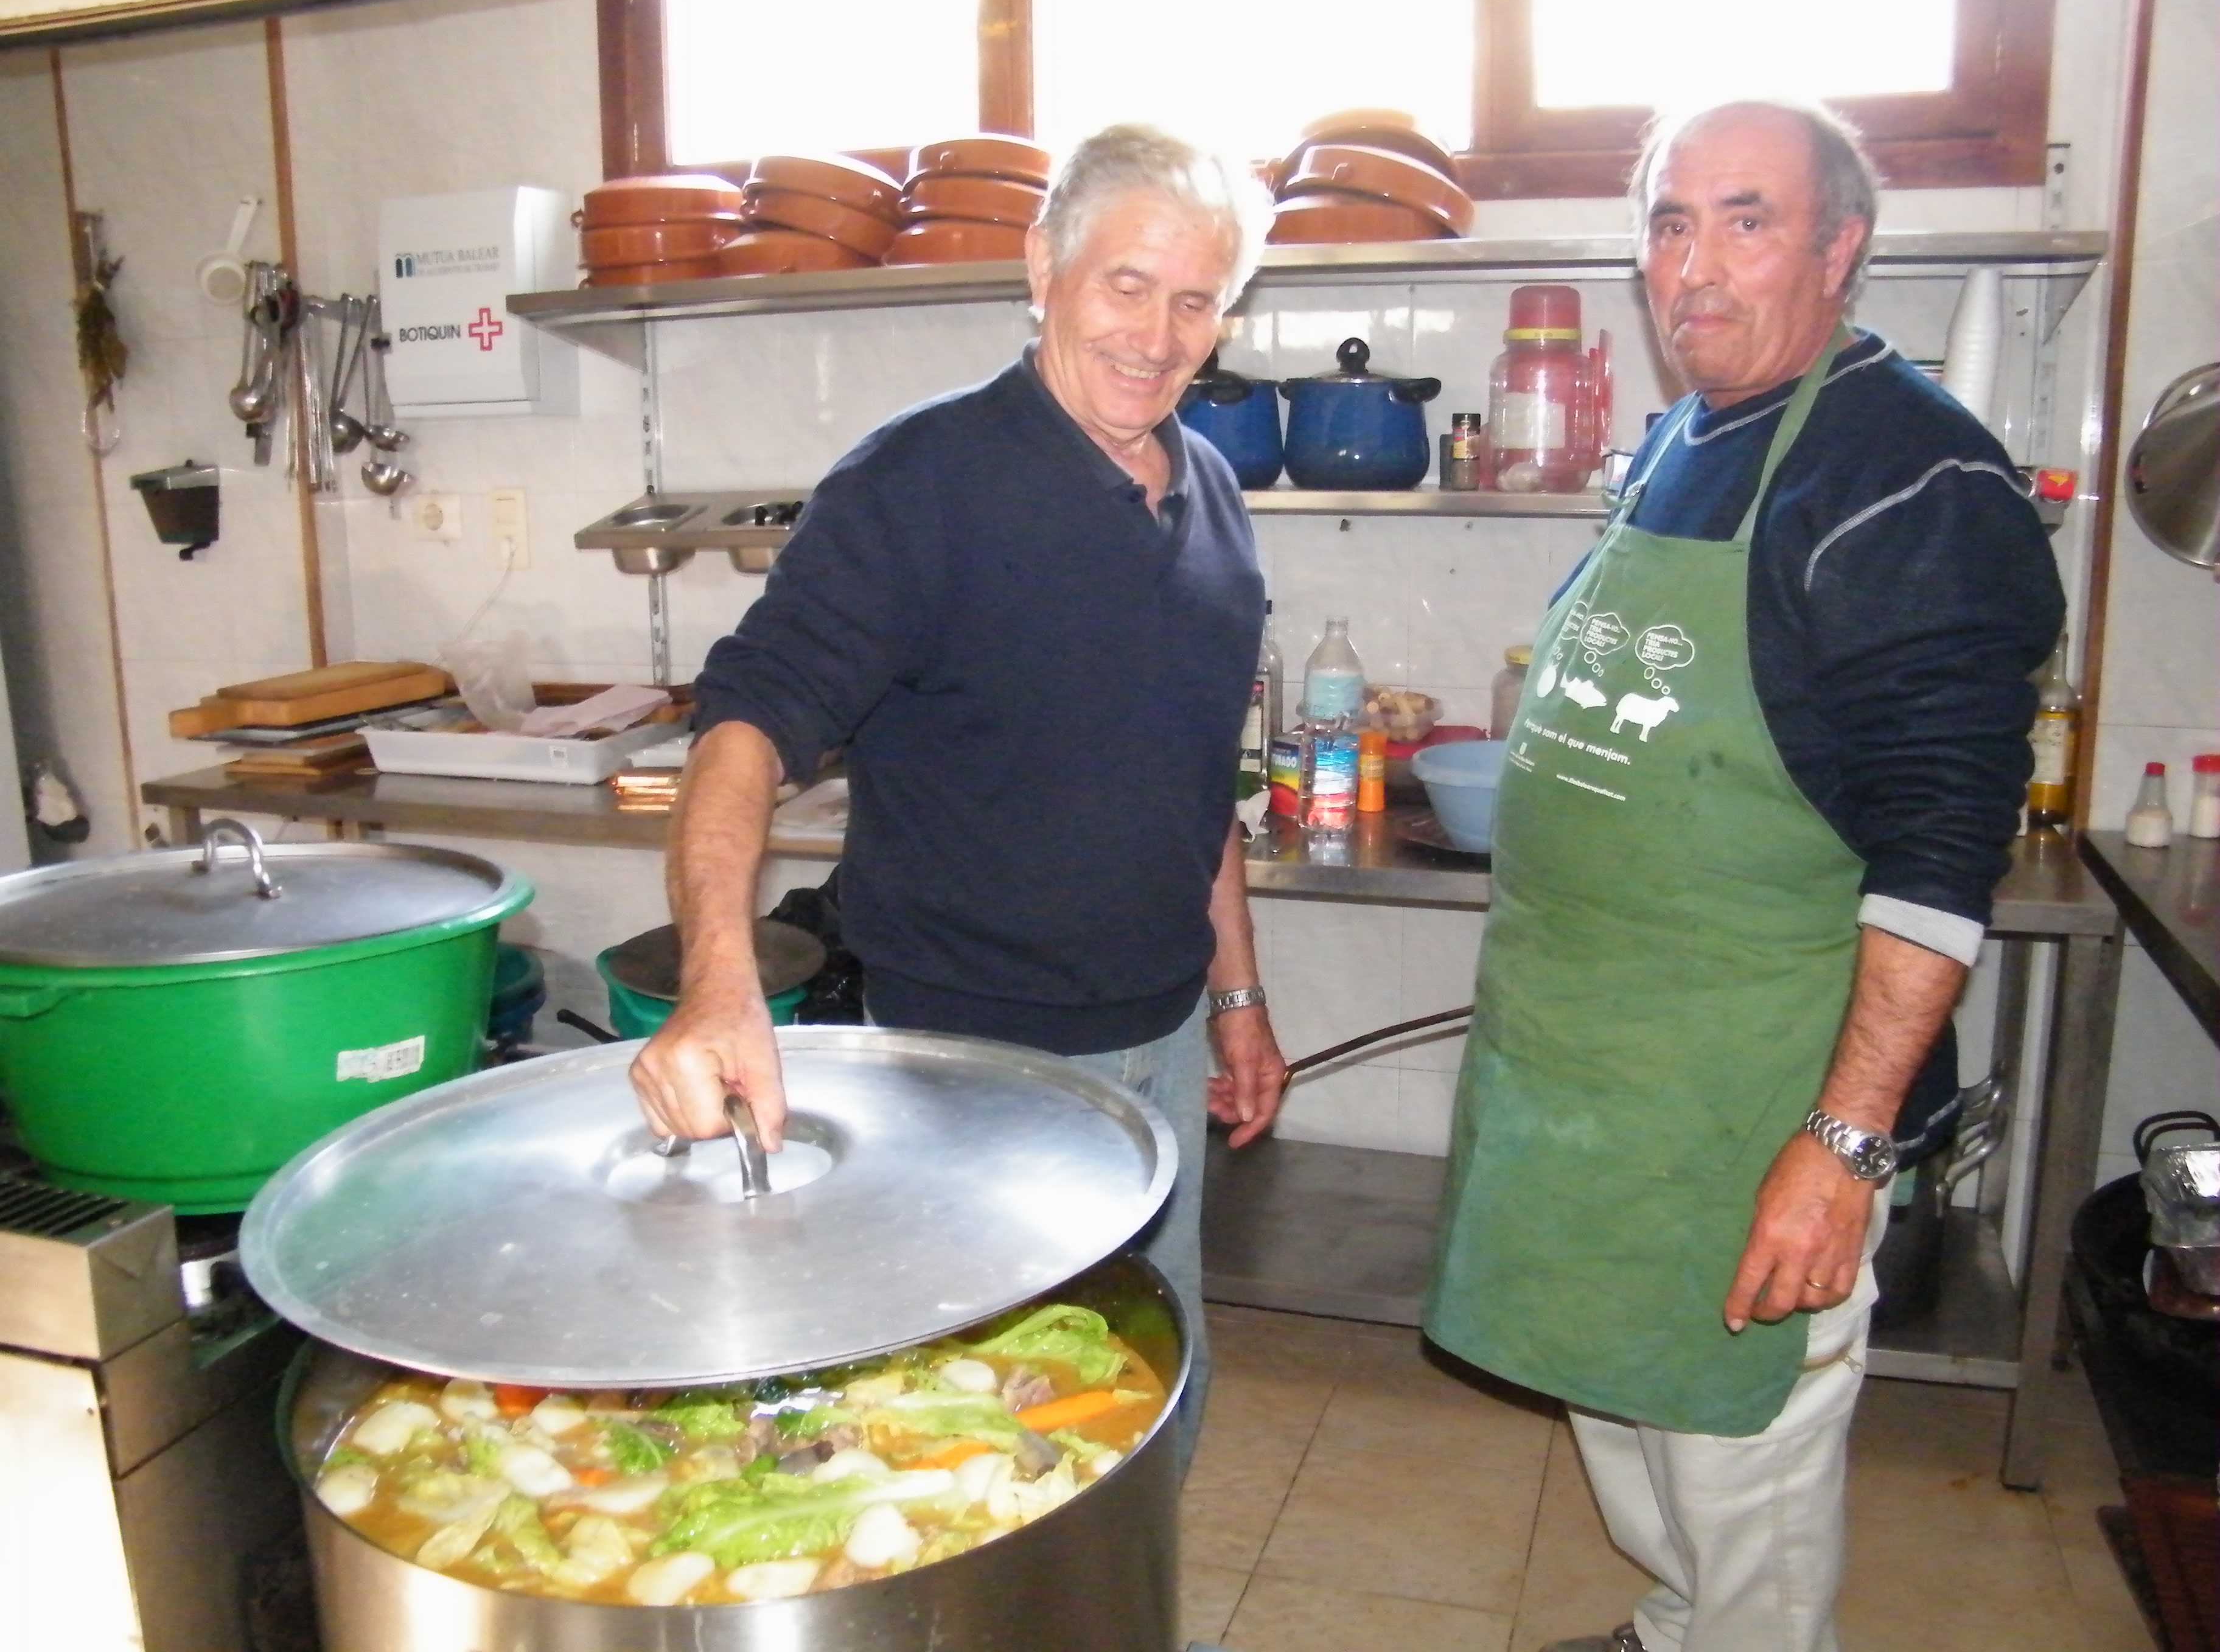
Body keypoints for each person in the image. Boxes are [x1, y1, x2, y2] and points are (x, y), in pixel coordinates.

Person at [1424, 99, 2064, 1652]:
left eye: (1746, 220)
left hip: (1753, 1100)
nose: (1694, 269)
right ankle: (1673, 1630)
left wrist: (1839, 1147)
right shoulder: (1682, 442)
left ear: (1842, 248)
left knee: (1742, 1473)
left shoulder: (1914, 480)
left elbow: (1939, 862)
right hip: (1597, 1086)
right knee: (1629, 1419)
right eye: (1669, 223)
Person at [629, 124, 1288, 1470]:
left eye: (1195, 302)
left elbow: (1193, 775)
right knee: (990, 1440)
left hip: (1162, 1043)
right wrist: (719, 984)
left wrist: (1238, 999)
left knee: (1153, 1394)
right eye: (1126, 286)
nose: (1157, 337)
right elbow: (744, 727)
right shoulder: (919, 483)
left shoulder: (1214, 492)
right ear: (1043, 268)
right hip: (973, 1065)